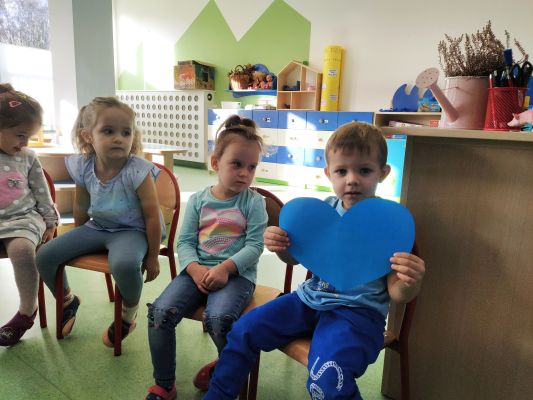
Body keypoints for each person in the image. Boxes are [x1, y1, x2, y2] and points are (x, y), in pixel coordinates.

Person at [204, 122, 426, 400]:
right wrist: (280, 245)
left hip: (357, 315)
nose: (352, 179)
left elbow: (398, 293)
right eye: (342, 171)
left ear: (383, 173)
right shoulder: (321, 212)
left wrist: (410, 280)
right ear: (328, 173)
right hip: (308, 301)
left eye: (364, 170)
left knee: (328, 377)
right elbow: (293, 259)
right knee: (243, 330)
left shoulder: (389, 224)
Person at [145, 115, 267, 400]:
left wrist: (225, 268)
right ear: (215, 163)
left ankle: (228, 377)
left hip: (237, 275)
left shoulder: (254, 202)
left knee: (219, 319)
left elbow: (254, 246)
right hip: (197, 271)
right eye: (236, 164)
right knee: (159, 314)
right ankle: (164, 384)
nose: (245, 173)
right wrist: (194, 268)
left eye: (251, 167)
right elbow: (185, 242)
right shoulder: (199, 200)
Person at [36, 97, 163, 347]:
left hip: (132, 231)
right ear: (88, 136)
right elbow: (81, 205)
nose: (119, 138)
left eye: (126, 132)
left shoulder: (138, 170)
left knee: (124, 265)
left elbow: (151, 215)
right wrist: (78, 239)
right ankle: (67, 301)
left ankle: (128, 316)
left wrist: (152, 256)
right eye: (108, 131)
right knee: (44, 256)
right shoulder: (84, 165)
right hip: (97, 227)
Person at [0, 84, 59, 346]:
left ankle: (26, 311)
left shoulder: (28, 157)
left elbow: (42, 193)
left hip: (23, 219)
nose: (25, 143)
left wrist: (51, 221)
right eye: (21, 135)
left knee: (23, 250)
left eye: (29, 137)